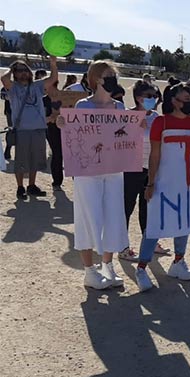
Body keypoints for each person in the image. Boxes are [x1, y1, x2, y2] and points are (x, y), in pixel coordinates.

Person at [63, 60, 130, 289]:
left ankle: (107, 266)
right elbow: (74, 135)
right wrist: (64, 124)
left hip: (113, 171)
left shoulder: (120, 107)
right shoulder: (83, 106)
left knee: (113, 217)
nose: (112, 78)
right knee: (88, 216)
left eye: (114, 74)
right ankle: (89, 271)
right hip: (87, 171)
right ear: (96, 79)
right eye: (107, 75)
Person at [135, 83, 190, 291]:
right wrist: (151, 183)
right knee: (155, 224)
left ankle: (178, 262)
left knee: (184, 224)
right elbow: (155, 155)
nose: (189, 102)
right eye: (185, 99)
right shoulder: (161, 123)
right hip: (164, 182)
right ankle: (142, 267)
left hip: (188, 182)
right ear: (174, 101)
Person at [119, 81, 167, 262]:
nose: (154, 100)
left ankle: (150, 243)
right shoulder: (126, 116)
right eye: (150, 96)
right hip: (129, 169)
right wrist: (131, 129)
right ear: (138, 98)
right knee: (126, 208)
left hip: (151, 170)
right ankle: (122, 246)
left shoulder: (156, 117)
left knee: (148, 209)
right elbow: (114, 139)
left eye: (155, 96)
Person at [1, 57, 59, 199]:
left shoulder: (37, 86)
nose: (23, 73)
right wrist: (12, 66)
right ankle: (20, 187)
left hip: (38, 128)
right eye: (19, 71)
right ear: (15, 73)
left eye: (25, 70)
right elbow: (3, 78)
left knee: (36, 159)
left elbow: (53, 78)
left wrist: (53, 64)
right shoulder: (13, 88)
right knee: (21, 160)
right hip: (22, 129)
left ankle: (31, 185)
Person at [43, 74, 64, 192]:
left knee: (71, 154)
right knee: (57, 154)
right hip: (51, 130)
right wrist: (50, 118)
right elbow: (40, 118)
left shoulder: (65, 97)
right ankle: (57, 182)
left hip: (67, 129)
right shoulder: (43, 100)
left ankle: (76, 180)